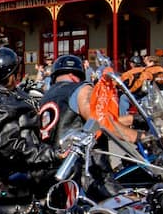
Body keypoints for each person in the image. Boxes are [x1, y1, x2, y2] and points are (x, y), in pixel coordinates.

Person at [37, 55, 140, 199]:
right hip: (89, 178)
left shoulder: (45, 97)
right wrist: (139, 137)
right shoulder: (81, 88)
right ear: (75, 75)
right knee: (137, 205)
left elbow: (88, 120)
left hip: (56, 175)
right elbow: (101, 122)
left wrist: (132, 119)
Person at [0, 48, 64, 194]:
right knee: (66, 177)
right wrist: (53, 154)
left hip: (30, 160)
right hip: (13, 170)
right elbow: (12, 148)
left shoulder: (8, 92)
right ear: (10, 75)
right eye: (16, 72)